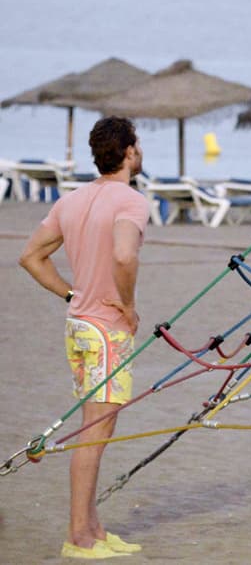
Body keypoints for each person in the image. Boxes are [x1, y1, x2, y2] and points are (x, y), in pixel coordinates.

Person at [19, 117, 148, 559]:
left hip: (79, 326)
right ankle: (78, 537)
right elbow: (124, 254)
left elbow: (31, 256)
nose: (140, 151)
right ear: (129, 152)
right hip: (106, 329)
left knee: (97, 429)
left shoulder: (71, 201)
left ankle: (94, 528)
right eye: (138, 145)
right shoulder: (131, 201)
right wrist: (127, 305)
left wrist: (73, 293)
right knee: (93, 434)